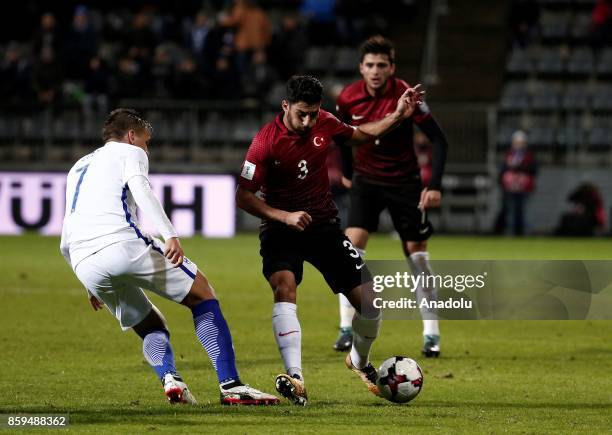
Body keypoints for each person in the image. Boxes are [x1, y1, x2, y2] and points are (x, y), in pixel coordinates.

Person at [60, 108, 279, 406]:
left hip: (84, 260)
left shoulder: (78, 166)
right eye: (146, 142)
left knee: (150, 324)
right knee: (202, 294)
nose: (147, 148)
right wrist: (169, 234)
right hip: (121, 244)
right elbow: (141, 188)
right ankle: (231, 385)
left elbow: (66, 235)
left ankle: (170, 380)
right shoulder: (130, 152)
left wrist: (87, 280)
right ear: (131, 135)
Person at [236, 75, 421, 405]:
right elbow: (244, 196)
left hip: (323, 227)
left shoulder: (326, 122)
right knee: (284, 287)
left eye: (313, 113)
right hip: (281, 229)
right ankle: (296, 376)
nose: (308, 121)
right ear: (285, 106)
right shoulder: (265, 142)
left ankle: (359, 361)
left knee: (371, 304)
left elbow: (360, 135)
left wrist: (397, 115)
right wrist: (284, 215)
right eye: (301, 114)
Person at [334, 36, 449, 357]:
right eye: (369, 65)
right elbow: (341, 136)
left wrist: (434, 184)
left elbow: (439, 141)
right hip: (367, 182)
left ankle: (431, 335)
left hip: (404, 184)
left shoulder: (407, 96)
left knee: (418, 257)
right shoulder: (348, 98)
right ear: (361, 68)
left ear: (391, 68)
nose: (375, 71)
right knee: (350, 253)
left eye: (381, 65)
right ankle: (346, 328)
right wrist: (346, 170)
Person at [494, 130, 537, 236]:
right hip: (510, 189)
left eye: (520, 142)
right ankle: (511, 234)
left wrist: (519, 168)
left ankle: (522, 233)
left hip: (523, 188)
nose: (518, 144)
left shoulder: (529, 156)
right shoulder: (509, 155)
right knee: (510, 212)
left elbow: (533, 170)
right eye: (517, 142)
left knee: (522, 212)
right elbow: (503, 170)